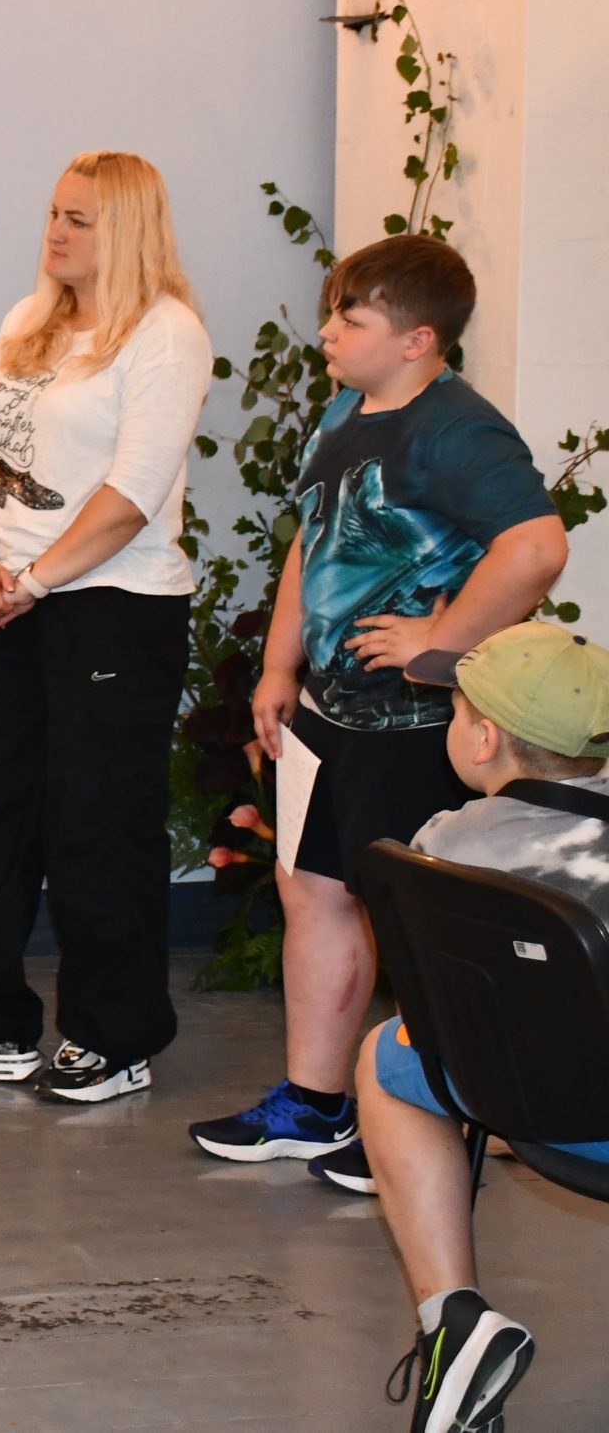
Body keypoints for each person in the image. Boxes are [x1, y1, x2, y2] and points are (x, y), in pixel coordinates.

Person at [191, 235, 564, 1183]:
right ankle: (315, 1103)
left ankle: (422, 1120)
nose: (327, 332)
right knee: (312, 891)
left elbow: (535, 547)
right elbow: (310, 544)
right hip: (329, 713)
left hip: (415, 727)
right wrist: (279, 665)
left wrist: (440, 643)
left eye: (350, 319)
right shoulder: (343, 412)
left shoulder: (458, 430)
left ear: (418, 339)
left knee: (417, 916)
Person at [0, 150, 210, 1101]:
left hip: (113, 605)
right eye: (54, 214)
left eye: (80, 219)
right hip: (4, 598)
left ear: (129, 229)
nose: (56, 232)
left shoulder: (166, 332)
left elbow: (132, 494)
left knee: (96, 825)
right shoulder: (29, 321)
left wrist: (32, 578)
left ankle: (115, 1037)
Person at [358, 623, 609, 1433]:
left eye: (456, 709)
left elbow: (434, 1012)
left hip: (534, 1103)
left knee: (386, 1054)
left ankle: (454, 1319)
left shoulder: (442, 848)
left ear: (484, 737)